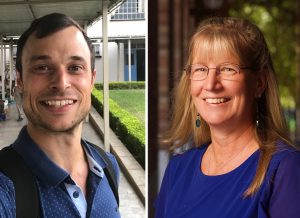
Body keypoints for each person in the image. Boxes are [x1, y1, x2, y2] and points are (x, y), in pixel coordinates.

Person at [155, 17, 300, 218]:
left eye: (228, 69)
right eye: (201, 69)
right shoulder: (178, 170)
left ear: (259, 83)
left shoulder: (285, 170)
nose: (211, 84)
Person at [0, 13, 120, 217]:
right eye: (42, 68)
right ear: (20, 80)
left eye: (75, 67)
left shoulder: (107, 165)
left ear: (91, 79)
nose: (62, 83)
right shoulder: (5, 186)